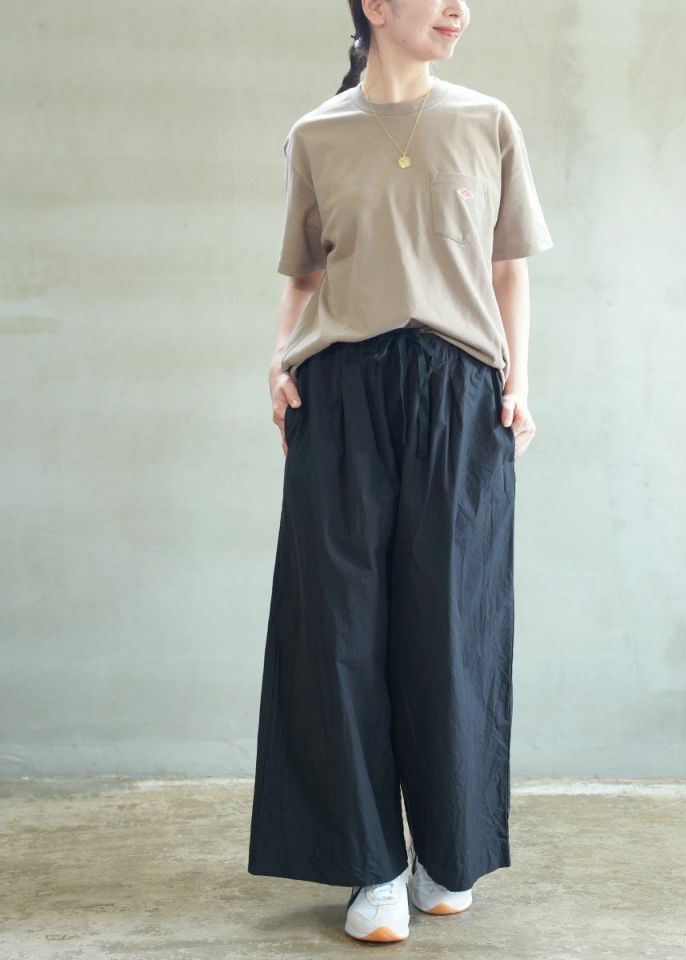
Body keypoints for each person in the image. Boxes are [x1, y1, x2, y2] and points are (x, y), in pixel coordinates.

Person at [248, 0, 554, 944]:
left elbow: (509, 268)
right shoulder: (316, 134)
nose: (460, 8)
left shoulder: (487, 122)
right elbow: (304, 277)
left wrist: (518, 382)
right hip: (340, 390)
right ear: (377, 5)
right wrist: (275, 364)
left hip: (459, 392)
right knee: (338, 630)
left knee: (453, 624)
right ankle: (371, 865)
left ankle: (447, 855)